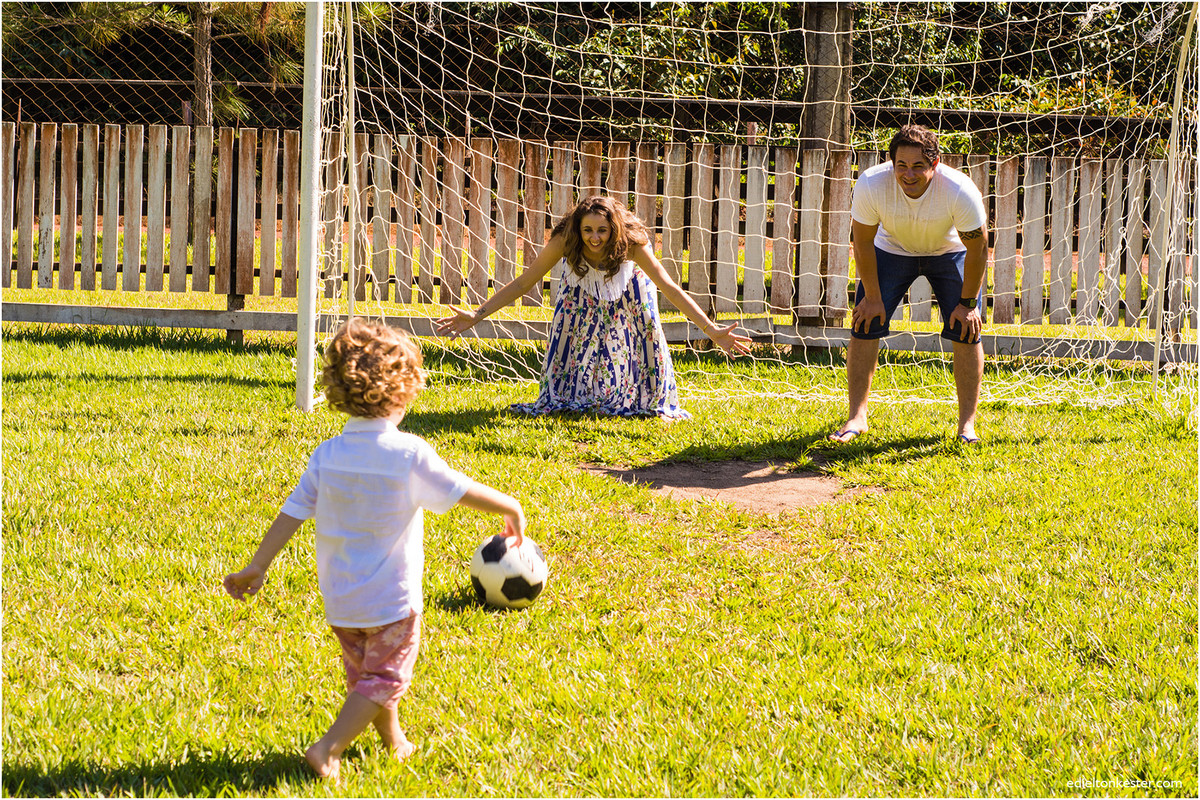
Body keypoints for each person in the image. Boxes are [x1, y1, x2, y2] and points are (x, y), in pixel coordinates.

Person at [223, 318, 526, 780]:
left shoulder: (327, 455)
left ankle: (392, 737)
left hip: (341, 601)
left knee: (368, 674)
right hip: (391, 602)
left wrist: (258, 565)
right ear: (404, 391)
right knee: (387, 676)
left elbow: (291, 514)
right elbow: (460, 489)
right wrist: (510, 506)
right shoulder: (409, 454)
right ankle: (328, 748)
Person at [436, 195, 752, 420]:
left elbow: (669, 286)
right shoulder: (565, 240)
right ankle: (570, 394)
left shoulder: (631, 243)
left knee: (643, 333)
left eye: (602, 230)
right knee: (568, 333)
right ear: (578, 230)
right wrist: (476, 315)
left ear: (614, 229)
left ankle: (645, 398)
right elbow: (523, 283)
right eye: (587, 230)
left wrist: (712, 331)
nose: (595, 238)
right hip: (580, 288)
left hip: (629, 288)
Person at [830, 124, 989, 445]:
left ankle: (966, 426)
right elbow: (862, 241)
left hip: (949, 251)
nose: (908, 174)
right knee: (865, 322)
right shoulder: (872, 183)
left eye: (918, 166)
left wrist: (968, 304)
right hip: (891, 250)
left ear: (935, 163)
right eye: (901, 165)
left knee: (966, 329)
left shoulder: (959, 189)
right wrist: (872, 296)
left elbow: (978, 248)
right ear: (892, 163)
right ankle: (856, 417)